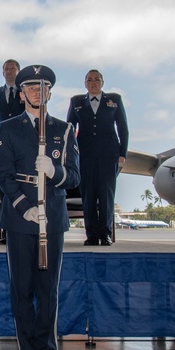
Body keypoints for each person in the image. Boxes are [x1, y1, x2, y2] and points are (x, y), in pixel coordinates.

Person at [0, 65, 80, 350]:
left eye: (42, 88)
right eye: (30, 87)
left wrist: (55, 172)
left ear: (49, 93)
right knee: (22, 289)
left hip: (52, 217)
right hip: (20, 218)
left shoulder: (63, 129)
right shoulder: (8, 128)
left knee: (48, 289)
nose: (36, 92)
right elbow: (3, 175)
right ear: (21, 94)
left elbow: (74, 176)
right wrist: (22, 206)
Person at [66, 69, 128, 246]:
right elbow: (69, 130)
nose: (93, 83)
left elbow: (122, 128)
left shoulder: (114, 100)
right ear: (85, 83)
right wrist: (71, 156)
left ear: (102, 82)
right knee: (89, 196)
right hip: (85, 157)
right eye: (89, 80)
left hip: (109, 156)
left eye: (96, 79)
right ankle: (92, 234)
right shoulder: (77, 101)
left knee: (106, 195)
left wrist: (122, 153)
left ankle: (105, 234)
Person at [0, 59, 25, 161]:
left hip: (23, 146)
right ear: (3, 73)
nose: (9, 71)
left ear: (19, 71)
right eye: (6, 69)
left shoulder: (26, 93)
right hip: (1, 146)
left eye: (12, 68)